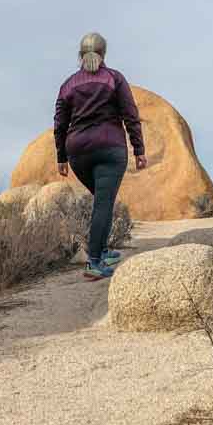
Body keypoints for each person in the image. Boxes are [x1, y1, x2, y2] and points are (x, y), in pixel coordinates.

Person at [54, 32, 147, 281]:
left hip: (78, 153)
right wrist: (139, 150)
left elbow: (60, 123)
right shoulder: (114, 78)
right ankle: (94, 262)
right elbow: (130, 115)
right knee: (103, 204)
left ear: (80, 55)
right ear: (103, 54)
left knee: (101, 201)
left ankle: (103, 251)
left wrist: (61, 156)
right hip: (109, 148)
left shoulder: (68, 84)